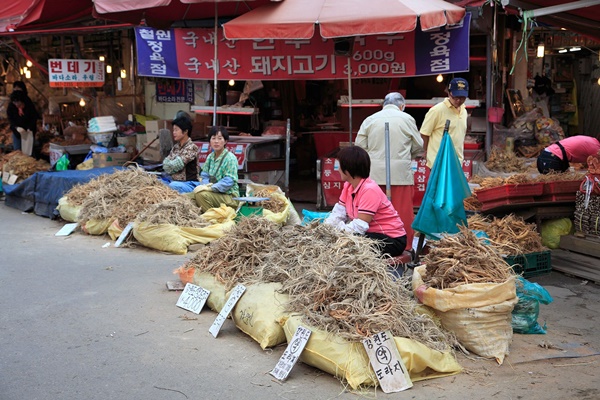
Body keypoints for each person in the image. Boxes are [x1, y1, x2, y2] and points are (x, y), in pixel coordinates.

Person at [355, 92, 423, 253]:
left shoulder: (370, 120)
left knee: (374, 211)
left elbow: (359, 146)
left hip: (374, 174)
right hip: (400, 174)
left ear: (383, 104)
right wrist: (406, 156)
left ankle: (375, 246)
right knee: (402, 211)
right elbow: (419, 145)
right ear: (401, 106)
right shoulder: (407, 118)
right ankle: (405, 246)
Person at [324, 146, 407, 257]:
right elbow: (338, 214)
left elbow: (360, 226)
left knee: (347, 247)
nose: (338, 170)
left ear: (348, 169)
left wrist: (337, 232)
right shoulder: (348, 186)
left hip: (391, 239)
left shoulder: (369, 189)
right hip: (371, 235)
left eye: (339, 166)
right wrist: (324, 230)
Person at [420, 77, 469, 169]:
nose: (458, 101)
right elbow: (424, 133)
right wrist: (427, 150)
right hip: (439, 162)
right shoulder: (437, 110)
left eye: (462, 98)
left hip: (457, 162)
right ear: (449, 93)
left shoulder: (464, 111)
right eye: (455, 97)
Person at [194, 126, 240, 211]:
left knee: (201, 195)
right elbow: (204, 175)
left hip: (229, 196)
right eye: (213, 138)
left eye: (219, 138)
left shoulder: (230, 158)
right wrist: (205, 185)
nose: (216, 141)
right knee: (190, 195)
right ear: (209, 141)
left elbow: (228, 181)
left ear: (225, 141)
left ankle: (212, 217)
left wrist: (210, 188)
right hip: (214, 193)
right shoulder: (210, 157)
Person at [161, 115, 200, 193]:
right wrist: (170, 165)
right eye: (173, 130)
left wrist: (171, 165)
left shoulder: (192, 147)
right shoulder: (175, 147)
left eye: (176, 130)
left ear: (185, 131)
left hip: (189, 184)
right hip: (175, 182)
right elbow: (165, 165)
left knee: (172, 186)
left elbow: (176, 165)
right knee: (159, 183)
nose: (174, 133)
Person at [7, 81, 39, 155]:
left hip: (29, 131)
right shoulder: (11, 106)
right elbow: (11, 118)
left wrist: (29, 128)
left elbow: (34, 117)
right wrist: (16, 127)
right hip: (17, 131)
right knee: (18, 150)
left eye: (18, 103)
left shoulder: (28, 104)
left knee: (29, 150)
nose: (16, 104)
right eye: (15, 103)